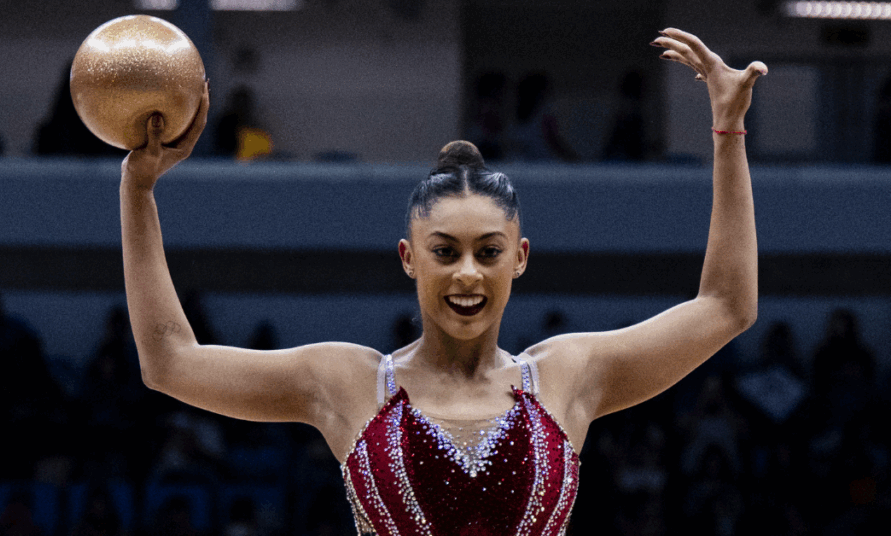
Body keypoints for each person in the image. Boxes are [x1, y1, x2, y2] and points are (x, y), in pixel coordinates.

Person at [118, 28, 764, 535]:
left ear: (520, 258)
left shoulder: (569, 374)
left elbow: (726, 306)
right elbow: (170, 362)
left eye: (488, 252)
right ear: (408, 258)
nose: (467, 274)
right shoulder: (347, 383)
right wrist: (138, 191)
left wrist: (728, 133)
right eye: (445, 251)